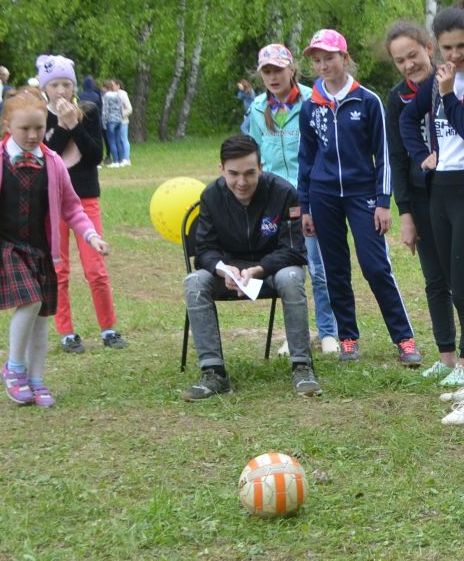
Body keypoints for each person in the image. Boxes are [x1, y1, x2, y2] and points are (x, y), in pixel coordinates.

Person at [0, 89, 109, 409]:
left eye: (39, 129)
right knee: (29, 300)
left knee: (42, 317)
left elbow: (72, 208)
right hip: (5, 246)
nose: (32, 135)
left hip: (41, 249)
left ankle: (37, 379)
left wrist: (90, 236)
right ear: (6, 127)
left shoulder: (53, 162)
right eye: (24, 129)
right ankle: (14, 369)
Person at [398, 3, 464, 424]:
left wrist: (448, 95)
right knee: (452, 288)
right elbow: (406, 120)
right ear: (436, 46)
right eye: (448, 47)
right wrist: (421, 154)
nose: (456, 54)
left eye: (462, 45)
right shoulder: (437, 79)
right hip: (439, 192)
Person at [296, 29, 421, 369]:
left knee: (375, 267)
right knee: (335, 270)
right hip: (322, 197)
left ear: (345, 59)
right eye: (317, 60)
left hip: (362, 195)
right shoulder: (311, 107)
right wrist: (305, 206)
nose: (323, 66)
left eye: (330, 58)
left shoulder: (367, 100)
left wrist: (383, 202)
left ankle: (404, 339)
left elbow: (383, 154)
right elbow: (306, 160)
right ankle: (348, 338)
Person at [180, 134, 322, 402]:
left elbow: (294, 250)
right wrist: (223, 269)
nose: (241, 182)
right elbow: (204, 250)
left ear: (262, 167)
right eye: (233, 174)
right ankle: (213, 372)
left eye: (250, 173)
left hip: (270, 271)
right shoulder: (211, 196)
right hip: (228, 273)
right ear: (221, 169)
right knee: (194, 281)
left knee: (292, 277)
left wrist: (259, 269)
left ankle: (302, 366)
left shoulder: (284, 193)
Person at [243, 44, 340, 354]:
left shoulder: (314, 99)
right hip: (275, 202)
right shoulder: (258, 107)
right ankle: (296, 332)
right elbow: (253, 154)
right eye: (266, 72)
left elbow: (325, 148)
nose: (272, 77)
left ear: (292, 70)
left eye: (278, 70)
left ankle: (328, 331)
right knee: (286, 270)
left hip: (311, 197)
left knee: (319, 268)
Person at [383, 21, 463, 383]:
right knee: (434, 279)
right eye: (400, 60)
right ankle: (446, 356)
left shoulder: (454, 82)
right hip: (420, 196)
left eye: (412, 55)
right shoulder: (396, 98)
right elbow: (397, 158)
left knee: (461, 277)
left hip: (455, 192)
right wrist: (406, 215)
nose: (408, 64)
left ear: (428, 48)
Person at [37, 55, 124, 353]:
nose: (61, 90)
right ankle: (66, 332)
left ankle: (109, 328)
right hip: (53, 201)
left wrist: (74, 124)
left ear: (73, 86)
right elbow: (46, 157)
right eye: (55, 85)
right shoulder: (39, 118)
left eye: (66, 84)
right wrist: (61, 127)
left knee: (95, 268)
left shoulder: (88, 110)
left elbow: (95, 155)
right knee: (59, 269)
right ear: (45, 88)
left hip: (85, 198)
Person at [101, 79, 132, 168]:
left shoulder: (107, 96)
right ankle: (121, 159)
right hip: (119, 121)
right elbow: (119, 108)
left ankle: (116, 161)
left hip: (111, 120)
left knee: (112, 141)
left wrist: (104, 122)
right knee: (118, 141)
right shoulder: (117, 95)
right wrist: (119, 116)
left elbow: (105, 110)